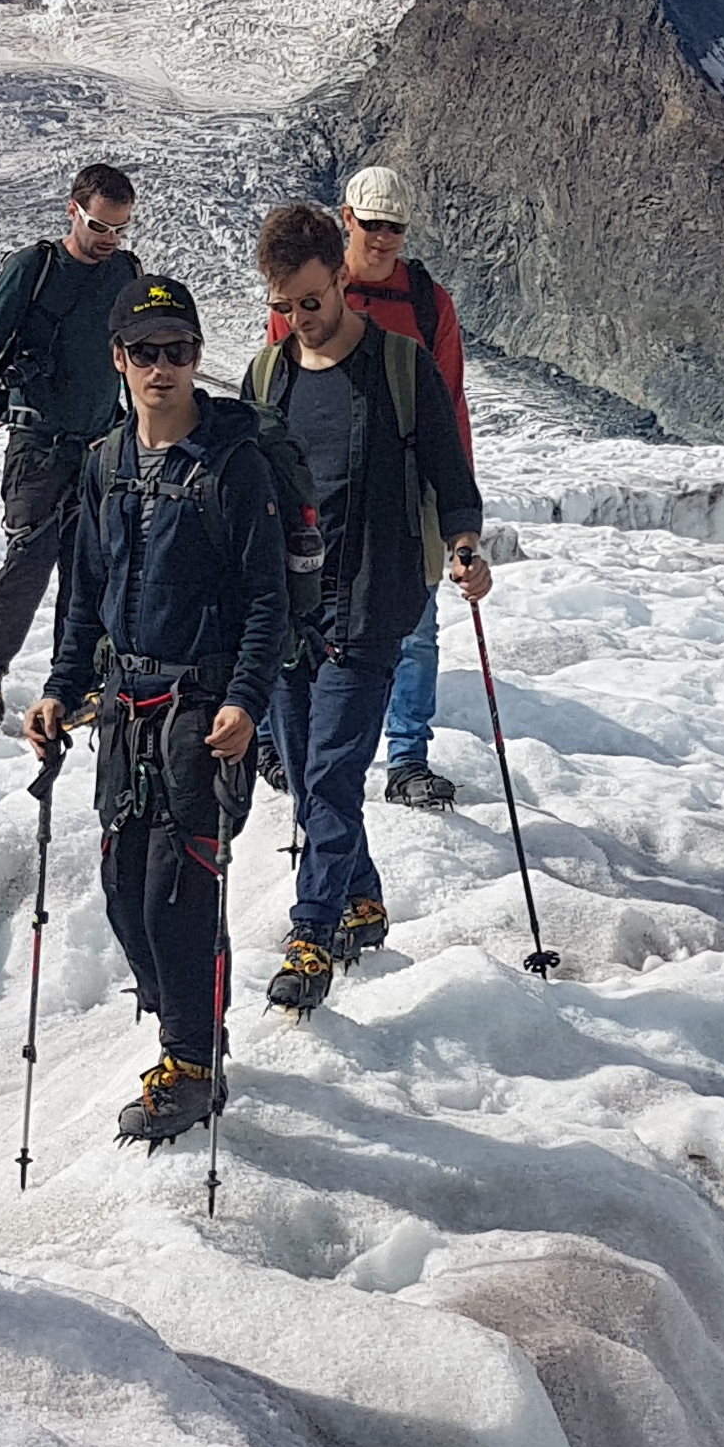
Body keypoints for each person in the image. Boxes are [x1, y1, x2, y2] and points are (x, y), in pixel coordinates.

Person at [20, 276, 284, 1148]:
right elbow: (84, 598)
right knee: (122, 887)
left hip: (201, 707)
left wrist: (247, 699)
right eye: (145, 352)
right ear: (119, 360)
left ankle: (193, 1059)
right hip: (125, 710)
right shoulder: (105, 465)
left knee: (182, 889)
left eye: (178, 351)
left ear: (198, 358)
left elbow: (264, 599)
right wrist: (62, 687)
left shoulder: (233, 468)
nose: (162, 368)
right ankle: (180, 1021)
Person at [243, 203, 489, 1012]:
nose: (299, 320)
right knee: (316, 774)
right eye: (284, 306)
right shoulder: (268, 376)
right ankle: (362, 897)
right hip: (289, 615)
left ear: (339, 281)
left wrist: (465, 548)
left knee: (333, 772)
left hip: (373, 602)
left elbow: (451, 476)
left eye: (310, 302)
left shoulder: (400, 365)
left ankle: (312, 935)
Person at [0, 164, 142, 712]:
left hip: (99, 446)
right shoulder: (34, 267)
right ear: (73, 211)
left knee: (87, 565)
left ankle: (76, 681)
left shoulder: (126, 271)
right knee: (29, 560)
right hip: (38, 444)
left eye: (120, 229)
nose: (110, 240)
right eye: (100, 226)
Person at [329, 165, 475, 810]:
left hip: (409, 488)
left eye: (395, 226)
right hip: (333, 486)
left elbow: (449, 404)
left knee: (416, 626)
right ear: (348, 219)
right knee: (323, 616)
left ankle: (407, 758)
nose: (384, 238)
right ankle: (318, 746)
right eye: (373, 224)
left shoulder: (427, 300)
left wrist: (458, 507)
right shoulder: (316, 291)